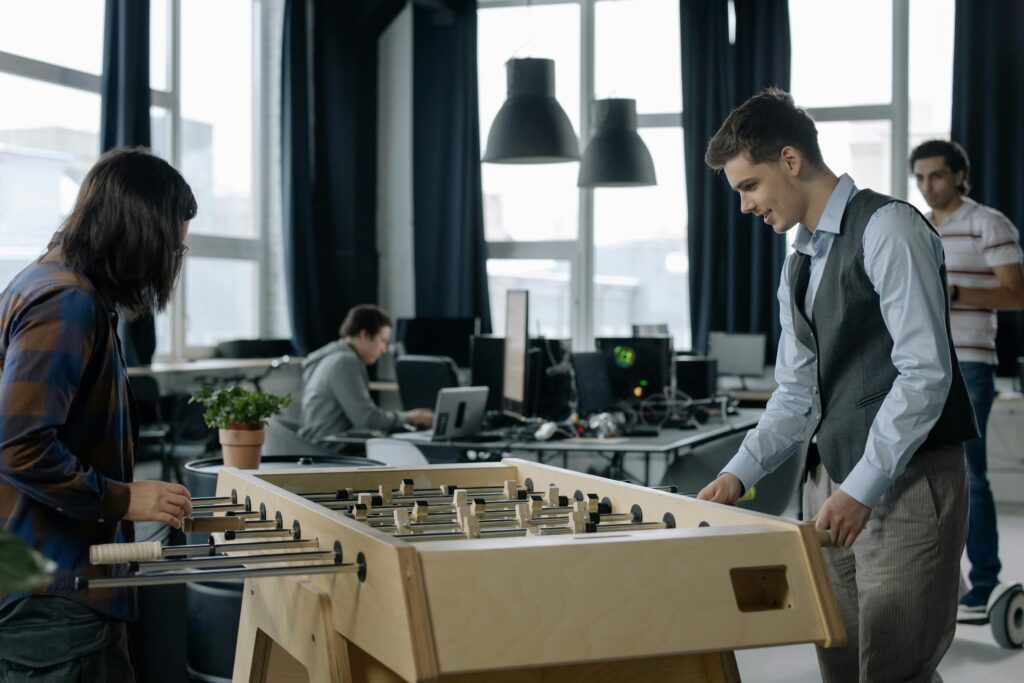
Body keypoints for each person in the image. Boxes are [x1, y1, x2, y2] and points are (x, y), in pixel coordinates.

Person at [697, 89, 977, 682]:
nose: (745, 205)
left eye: (749, 186)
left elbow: (926, 374)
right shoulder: (797, 262)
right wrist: (736, 475)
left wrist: (861, 488)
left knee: (896, 668)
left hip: (907, 482)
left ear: (790, 161)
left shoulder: (890, 227)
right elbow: (797, 394)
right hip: (828, 484)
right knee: (840, 662)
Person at [0, 148, 197, 681]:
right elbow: (20, 445)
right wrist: (126, 497)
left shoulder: (49, 282)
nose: (172, 260)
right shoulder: (66, 300)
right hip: (52, 598)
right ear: (136, 234)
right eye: (170, 248)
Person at [910, 139, 1024, 618]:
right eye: (919, 177)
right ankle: (938, 581)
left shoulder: (987, 222)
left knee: (970, 475)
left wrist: (954, 290)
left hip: (971, 364)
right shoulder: (915, 227)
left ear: (959, 174)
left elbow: (1016, 294)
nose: (927, 185)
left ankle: (984, 583)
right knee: (920, 476)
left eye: (936, 175)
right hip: (920, 365)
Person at [299, 304, 433, 448]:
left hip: (319, 446)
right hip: (330, 451)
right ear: (363, 334)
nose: (384, 350)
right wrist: (410, 417)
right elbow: (367, 419)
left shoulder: (330, 357)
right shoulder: (345, 361)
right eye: (382, 340)